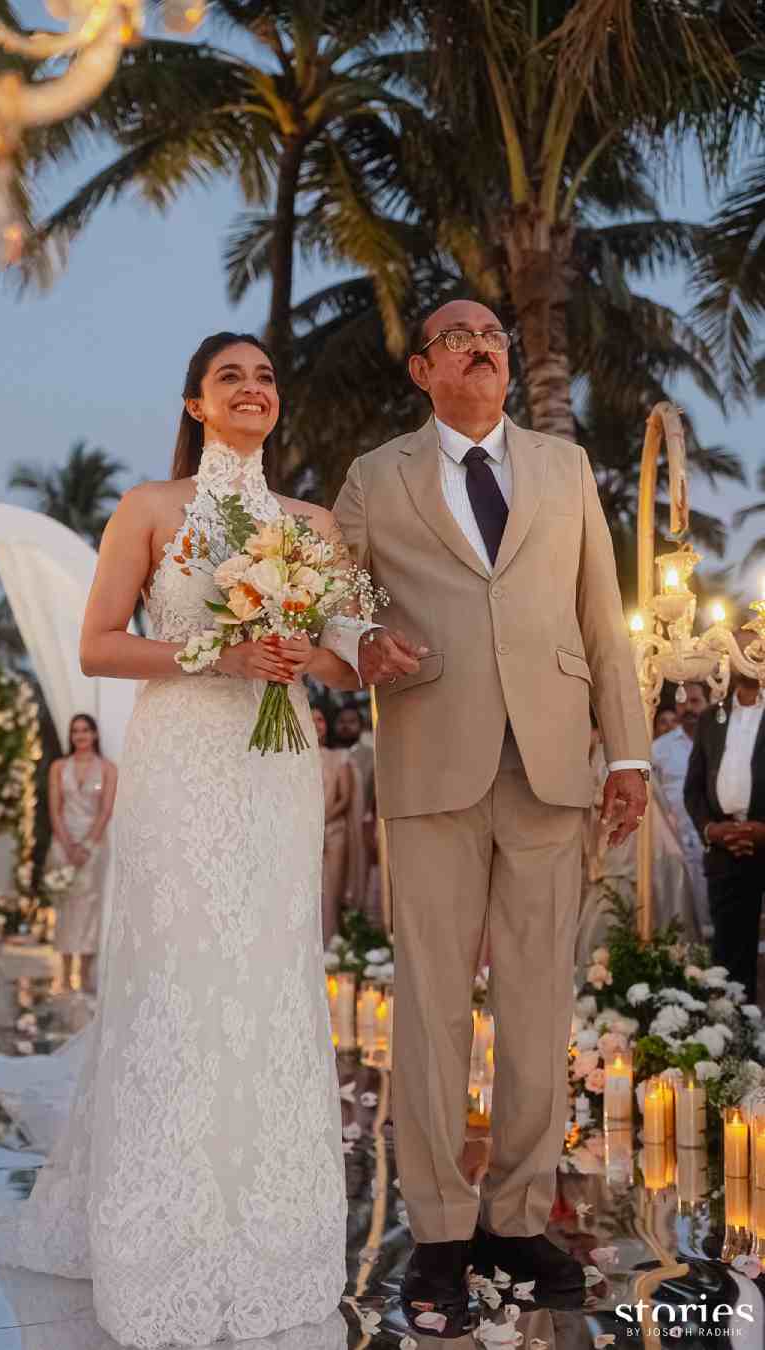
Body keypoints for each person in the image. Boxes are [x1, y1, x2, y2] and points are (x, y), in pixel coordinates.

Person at [0, 333, 355, 1349]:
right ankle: (162, 1230)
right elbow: (100, 641)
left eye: (266, 376)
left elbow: (334, 653)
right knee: (179, 975)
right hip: (185, 761)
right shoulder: (150, 508)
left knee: (269, 974)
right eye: (230, 376)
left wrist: (306, 653)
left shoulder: (312, 524)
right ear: (195, 402)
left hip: (276, 767)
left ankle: (271, 1227)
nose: (252, 389)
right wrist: (214, 650)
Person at [326, 298, 649, 1333]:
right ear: (423, 369)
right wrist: (356, 644)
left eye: (496, 339)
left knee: (539, 1005)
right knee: (428, 1008)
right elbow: (336, 594)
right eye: (460, 339)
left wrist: (630, 750)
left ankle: (516, 1217)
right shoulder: (378, 477)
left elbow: (604, 620)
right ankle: (437, 1232)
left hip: (554, 767)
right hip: (431, 763)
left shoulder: (563, 468)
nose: (483, 349)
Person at [684, 631, 765, 1003]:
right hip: (724, 851)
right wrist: (711, 829)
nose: (748, 657)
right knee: (730, 957)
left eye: (755, 649)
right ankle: (736, 1043)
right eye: (740, 650)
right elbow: (693, 789)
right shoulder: (711, 719)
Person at [46, 713, 118, 995]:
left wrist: (86, 846)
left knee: (89, 907)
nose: (81, 736)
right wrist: (67, 845)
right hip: (62, 843)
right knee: (64, 906)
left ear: (95, 734)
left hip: (95, 846)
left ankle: (85, 974)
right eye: (75, 731)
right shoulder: (58, 767)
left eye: (86, 730)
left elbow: (106, 811)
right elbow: (55, 809)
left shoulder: (108, 768)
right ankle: (64, 973)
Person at [652, 682, 710, 937]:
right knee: (679, 918)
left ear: (709, 703)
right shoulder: (659, 749)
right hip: (673, 846)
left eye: (696, 701)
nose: (688, 708)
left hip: (712, 839)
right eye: (683, 701)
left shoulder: (719, 741)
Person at [312, 705, 362, 946]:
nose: (316, 724)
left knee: (331, 891)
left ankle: (331, 948)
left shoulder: (339, 757)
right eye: (310, 718)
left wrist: (322, 820)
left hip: (334, 831)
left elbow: (345, 797)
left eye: (320, 719)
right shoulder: (290, 758)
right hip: (305, 834)